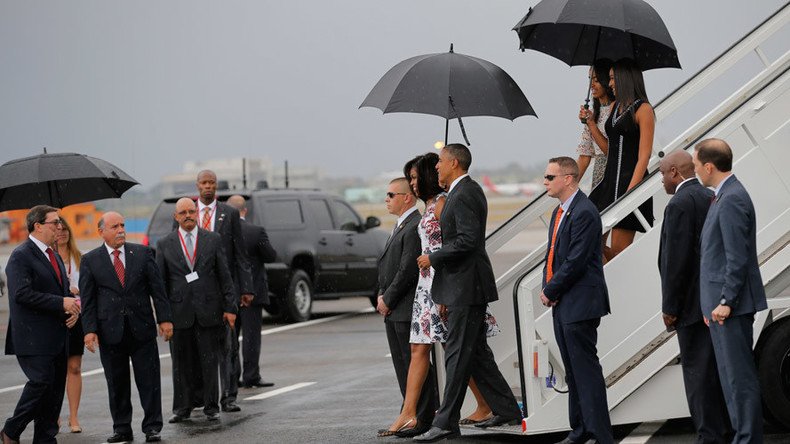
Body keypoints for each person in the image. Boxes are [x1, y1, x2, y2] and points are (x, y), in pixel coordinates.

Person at [414, 144, 521, 443]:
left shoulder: (466, 193)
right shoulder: (459, 193)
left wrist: (433, 258)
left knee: (457, 354)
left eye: (441, 162)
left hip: (467, 285)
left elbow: (468, 241)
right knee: (476, 355)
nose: (436, 167)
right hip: (461, 284)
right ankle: (507, 408)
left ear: (456, 164)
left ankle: (445, 421)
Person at [694, 138, 767, 444]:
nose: (696, 171)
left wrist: (725, 301)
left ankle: (748, 439)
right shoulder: (724, 196)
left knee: (739, 380)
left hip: (730, 308)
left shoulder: (732, 198)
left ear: (709, 166)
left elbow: (737, 258)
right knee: (730, 379)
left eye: (697, 165)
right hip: (721, 307)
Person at [657, 150, 731, 443]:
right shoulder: (709, 196)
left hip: (689, 306)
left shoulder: (679, 203)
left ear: (675, 171)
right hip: (711, 300)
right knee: (715, 373)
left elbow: (676, 262)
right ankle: (724, 430)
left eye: (662, 173)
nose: (661, 180)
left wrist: (670, 307)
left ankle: (709, 435)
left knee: (697, 376)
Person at [79, 212, 173, 443]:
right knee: (116, 382)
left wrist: (165, 319)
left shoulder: (142, 253)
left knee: (149, 381)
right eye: (115, 226)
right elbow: (88, 299)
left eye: (122, 225)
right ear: (101, 231)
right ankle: (122, 428)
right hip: (110, 331)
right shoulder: (91, 260)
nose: (121, 230)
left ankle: (152, 427)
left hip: (141, 329)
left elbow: (157, 290)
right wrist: (89, 330)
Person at [540, 157, 613, 444]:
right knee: (573, 370)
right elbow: (552, 255)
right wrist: (550, 286)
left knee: (585, 370)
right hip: (564, 302)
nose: (545, 182)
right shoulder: (561, 212)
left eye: (549, 176)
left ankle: (599, 434)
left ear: (568, 178)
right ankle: (580, 430)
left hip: (580, 302)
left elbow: (576, 261)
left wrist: (550, 290)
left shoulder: (584, 211)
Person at [2, 205, 81, 444]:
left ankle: (46, 439)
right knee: (41, 383)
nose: (60, 227)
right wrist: (61, 302)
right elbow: (21, 294)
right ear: (37, 226)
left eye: (60, 222)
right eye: (55, 222)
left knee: (54, 392)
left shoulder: (53, 254)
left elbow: (61, 291)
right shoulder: (21, 255)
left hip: (57, 336)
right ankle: (11, 430)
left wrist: (72, 307)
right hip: (33, 337)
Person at [157, 198, 237, 423]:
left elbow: (224, 275)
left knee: (209, 361)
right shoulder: (165, 243)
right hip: (179, 313)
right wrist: (163, 318)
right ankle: (182, 408)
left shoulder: (212, 239)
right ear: (176, 216)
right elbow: (160, 284)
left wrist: (230, 307)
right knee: (181, 364)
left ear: (197, 214)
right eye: (182, 212)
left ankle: (211, 406)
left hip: (208, 311)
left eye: (191, 211)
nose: (188, 215)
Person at [375, 177, 436, 438]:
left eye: (391, 195)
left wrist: (387, 298)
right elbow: (389, 267)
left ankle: (421, 417)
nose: (386, 199)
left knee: (412, 365)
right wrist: (381, 294)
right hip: (394, 306)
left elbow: (407, 270)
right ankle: (410, 412)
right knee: (403, 366)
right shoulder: (401, 224)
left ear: (407, 197)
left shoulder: (413, 226)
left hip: (404, 306)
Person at [194, 170, 254, 413]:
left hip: (226, 290)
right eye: (204, 183)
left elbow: (240, 253)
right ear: (197, 186)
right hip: (196, 293)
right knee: (199, 349)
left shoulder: (228, 214)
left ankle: (229, 396)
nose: (208, 187)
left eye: (212, 183)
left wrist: (245, 288)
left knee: (228, 346)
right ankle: (200, 398)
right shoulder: (187, 214)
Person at [588, 58, 655, 261]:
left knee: (619, 253)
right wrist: (591, 124)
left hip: (629, 184)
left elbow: (644, 154)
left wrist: (631, 193)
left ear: (624, 78)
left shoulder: (643, 109)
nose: (610, 84)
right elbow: (611, 149)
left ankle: (618, 285)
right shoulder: (616, 106)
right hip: (607, 185)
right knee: (589, 239)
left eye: (611, 78)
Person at [226, 195, 277, 389]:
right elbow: (271, 256)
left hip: (229, 293)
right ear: (244, 211)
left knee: (231, 339)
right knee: (251, 337)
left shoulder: (221, 233)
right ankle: (251, 375)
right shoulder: (255, 231)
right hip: (253, 291)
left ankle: (233, 376)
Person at [54, 218, 85, 434]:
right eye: (58, 229)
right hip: (53, 317)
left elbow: (90, 290)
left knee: (74, 367)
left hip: (76, 317)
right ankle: (53, 415)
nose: (62, 233)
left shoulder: (80, 259)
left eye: (66, 229)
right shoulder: (46, 257)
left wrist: (78, 302)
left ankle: (73, 417)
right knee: (54, 370)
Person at [577, 58, 614, 192]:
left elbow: (611, 152)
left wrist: (591, 124)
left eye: (596, 80)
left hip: (613, 171)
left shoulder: (618, 109)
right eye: (589, 80)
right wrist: (569, 188)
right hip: (598, 172)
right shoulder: (593, 115)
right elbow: (584, 156)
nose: (591, 85)